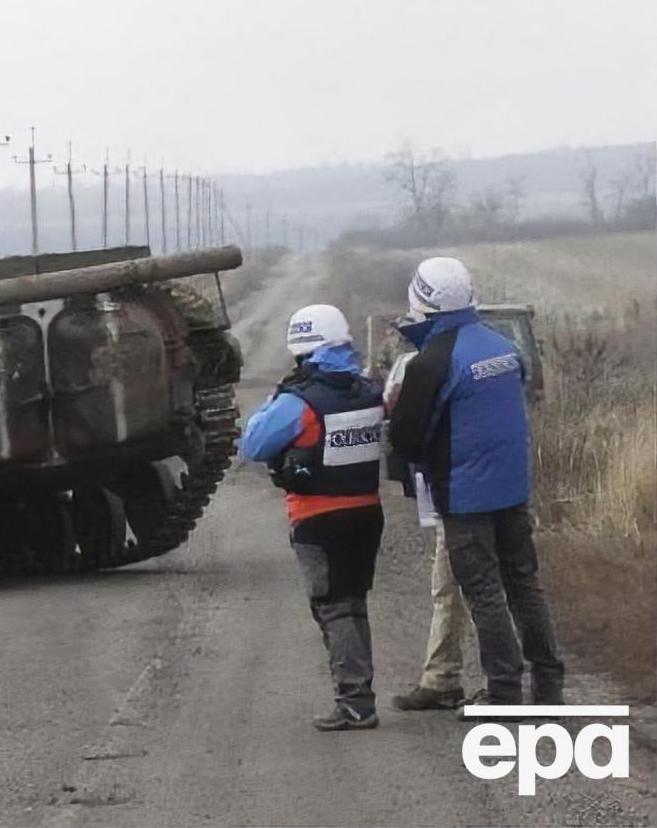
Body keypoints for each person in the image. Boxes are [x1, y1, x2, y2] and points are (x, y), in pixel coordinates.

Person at [389, 257, 564, 710]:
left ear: (421, 300)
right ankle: (548, 686)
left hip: (464, 495)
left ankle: (504, 691)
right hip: (513, 489)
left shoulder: (431, 362)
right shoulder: (503, 347)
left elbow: (405, 438)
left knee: (484, 593)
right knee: (524, 585)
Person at [242, 304, 386, 731]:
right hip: (367, 513)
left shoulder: (298, 403)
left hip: (318, 519)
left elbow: (252, 445)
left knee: (333, 608)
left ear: (301, 352)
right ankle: (359, 694)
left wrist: (276, 399)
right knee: (353, 604)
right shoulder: (369, 391)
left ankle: (356, 703)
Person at [384, 344, 471, 711]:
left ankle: (444, 679)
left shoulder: (416, 364)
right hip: (491, 488)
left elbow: (396, 417)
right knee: (507, 585)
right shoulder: (496, 353)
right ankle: (538, 680)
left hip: (455, 493)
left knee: (452, 587)